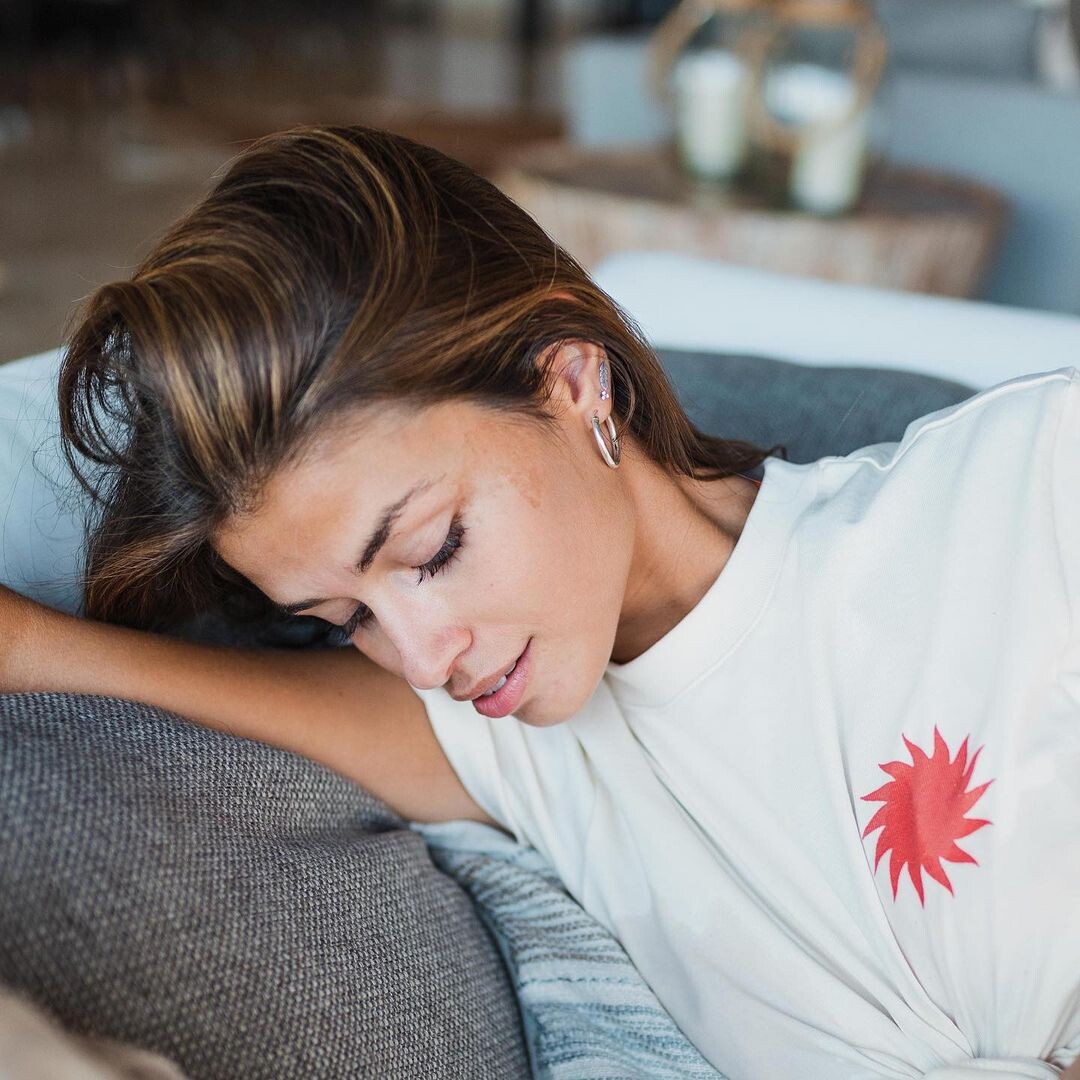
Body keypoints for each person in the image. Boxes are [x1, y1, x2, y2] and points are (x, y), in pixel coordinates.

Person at [1, 124, 1077, 1079]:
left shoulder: (1028, 484)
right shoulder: (533, 751)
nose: (425, 659)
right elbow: (306, 709)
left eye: (433, 549)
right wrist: (38, 648)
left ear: (570, 379)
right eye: (348, 620)